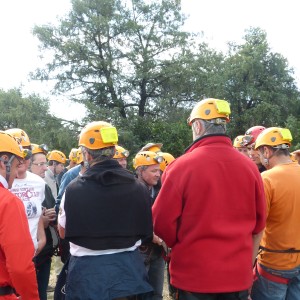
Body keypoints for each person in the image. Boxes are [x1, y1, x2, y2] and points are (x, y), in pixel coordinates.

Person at [152, 98, 266, 300]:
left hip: (194, 277)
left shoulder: (180, 167)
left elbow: (161, 223)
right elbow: (259, 225)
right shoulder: (250, 168)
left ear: (197, 125)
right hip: (236, 277)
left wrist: (180, 242)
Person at [58, 121, 153, 299]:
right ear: (113, 151)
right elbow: (146, 230)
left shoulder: (72, 189)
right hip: (129, 272)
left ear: (86, 154)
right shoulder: (139, 187)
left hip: (88, 274)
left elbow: (63, 232)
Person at [251, 127, 300, 300]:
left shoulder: (267, 179)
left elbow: (257, 229)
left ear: (266, 150)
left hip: (273, 265)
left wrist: (248, 265)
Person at [0, 130, 39, 300]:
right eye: (16, 166)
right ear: (4, 162)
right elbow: (20, 267)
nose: (16, 174)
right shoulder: (8, 202)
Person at [6, 128, 46, 257]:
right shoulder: (3, 183)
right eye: (17, 153)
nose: (22, 159)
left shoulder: (39, 182)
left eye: (26, 153)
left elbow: (37, 211)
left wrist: (42, 238)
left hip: (32, 251)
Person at [133, 151, 165, 300]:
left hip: (157, 252)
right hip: (139, 252)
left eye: (159, 170)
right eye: (153, 170)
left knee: (156, 294)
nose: (158, 174)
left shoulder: (161, 189)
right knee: (140, 294)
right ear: (140, 170)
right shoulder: (130, 191)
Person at [30, 143, 57, 300]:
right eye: (40, 164)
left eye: (45, 163)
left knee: (41, 294)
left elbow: (50, 208)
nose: (45, 168)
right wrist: (42, 222)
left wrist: (52, 217)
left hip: (44, 253)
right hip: (26, 254)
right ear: (27, 164)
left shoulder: (44, 186)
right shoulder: (12, 187)